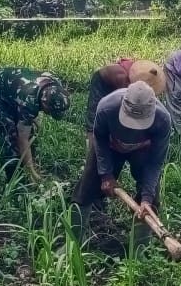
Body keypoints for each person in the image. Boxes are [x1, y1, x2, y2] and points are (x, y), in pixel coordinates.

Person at [71, 81, 171, 243]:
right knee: (86, 189)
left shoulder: (163, 120)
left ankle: (139, 249)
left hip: (143, 150)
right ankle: (73, 242)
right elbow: (100, 140)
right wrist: (105, 175)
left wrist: (146, 198)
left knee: (151, 200)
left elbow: (155, 162)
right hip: (110, 146)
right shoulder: (106, 107)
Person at [0, 66, 71, 181]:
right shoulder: (29, 100)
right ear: (44, 101)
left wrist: (31, 118)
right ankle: (14, 180)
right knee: (9, 133)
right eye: (50, 111)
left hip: (13, 90)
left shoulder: (56, 84)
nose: (49, 114)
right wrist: (31, 171)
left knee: (29, 129)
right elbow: (23, 138)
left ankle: (28, 163)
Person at [85, 58, 166, 144]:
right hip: (101, 82)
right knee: (94, 118)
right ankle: (92, 145)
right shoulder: (123, 79)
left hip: (115, 84)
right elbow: (121, 104)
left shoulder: (138, 72)